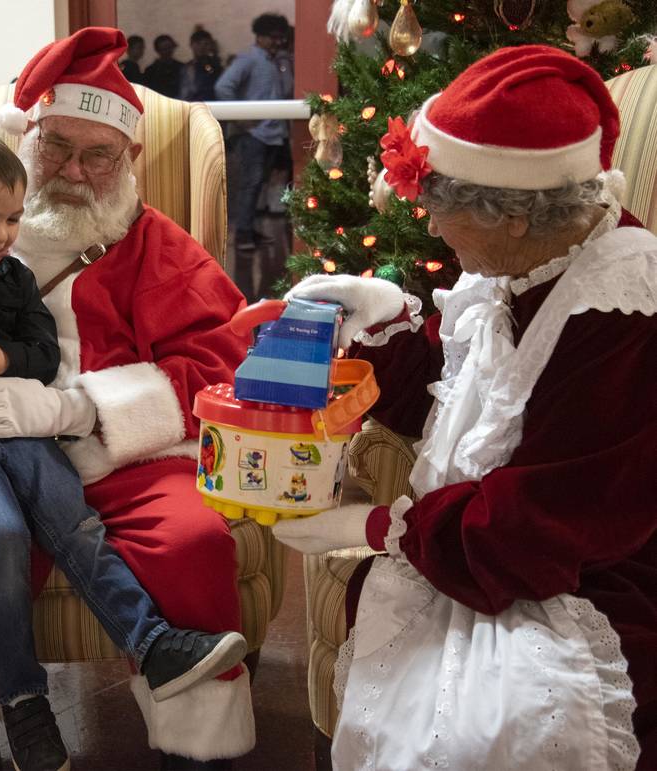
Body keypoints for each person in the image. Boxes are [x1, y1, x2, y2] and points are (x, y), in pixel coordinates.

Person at [0, 27, 256, 771]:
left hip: (128, 462)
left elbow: (223, 362)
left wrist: (77, 409)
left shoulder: (160, 247)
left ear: (131, 156)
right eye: (56, 148)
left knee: (192, 543)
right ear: (27, 139)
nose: (74, 171)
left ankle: (197, 753)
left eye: (98, 154)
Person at [274, 45, 657, 768]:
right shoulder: (521, 264)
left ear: (514, 218)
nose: (432, 230)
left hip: (582, 573)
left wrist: (378, 525)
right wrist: (382, 320)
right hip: (489, 544)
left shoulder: (623, 312)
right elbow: (452, 407)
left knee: (485, 729)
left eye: (442, 213)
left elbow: (556, 516)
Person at [215, 13, 292, 300]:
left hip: (273, 133)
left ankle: (250, 229)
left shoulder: (277, 61)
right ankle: (244, 233)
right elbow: (223, 86)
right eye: (272, 36)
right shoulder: (248, 59)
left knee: (259, 185)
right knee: (250, 184)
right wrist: (242, 118)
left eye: (279, 37)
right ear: (260, 36)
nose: (277, 41)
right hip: (254, 135)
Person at [179, 29, 223, 102]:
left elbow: (212, 73)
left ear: (210, 46)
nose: (202, 47)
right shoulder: (186, 67)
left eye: (206, 44)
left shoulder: (213, 66)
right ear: (191, 45)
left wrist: (207, 64)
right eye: (198, 43)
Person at [143, 34, 183, 99]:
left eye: (169, 47)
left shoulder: (181, 67)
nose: (168, 51)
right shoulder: (151, 70)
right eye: (164, 49)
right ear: (158, 50)